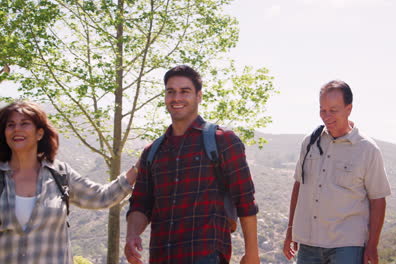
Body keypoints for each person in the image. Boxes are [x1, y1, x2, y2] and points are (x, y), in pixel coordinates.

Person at [124, 65, 260, 264]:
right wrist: (132, 235)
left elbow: (245, 201)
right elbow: (140, 203)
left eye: (184, 91)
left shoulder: (223, 141)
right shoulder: (152, 152)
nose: (176, 98)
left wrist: (252, 254)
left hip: (206, 256)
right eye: (171, 92)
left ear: (199, 96)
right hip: (161, 257)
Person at [0, 100, 138, 263]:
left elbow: (103, 196)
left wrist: (139, 166)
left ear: (40, 133)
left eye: (24, 124)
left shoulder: (60, 174)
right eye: (10, 125)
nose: (17, 129)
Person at [283, 80, 391, 264]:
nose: (326, 116)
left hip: (347, 245)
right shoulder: (309, 142)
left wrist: (372, 246)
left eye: (333, 110)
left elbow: (378, 200)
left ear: (349, 109)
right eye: (322, 110)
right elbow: (299, 185)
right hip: (308, 243)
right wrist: (291, 229)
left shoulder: (367, 149)